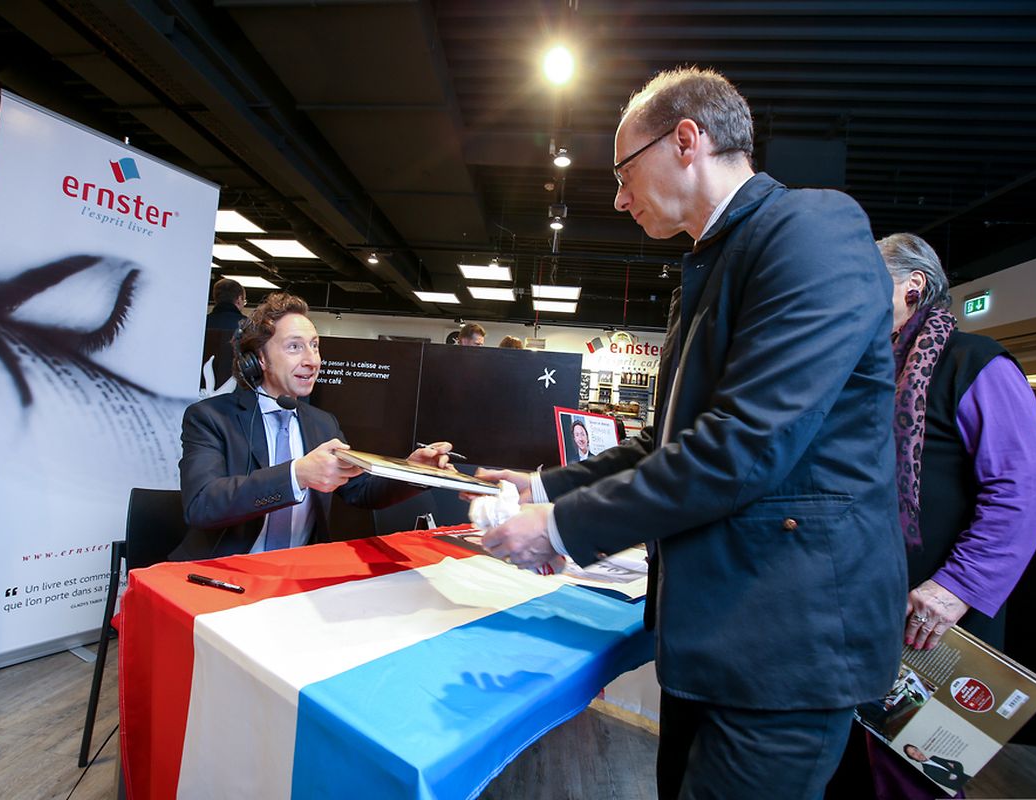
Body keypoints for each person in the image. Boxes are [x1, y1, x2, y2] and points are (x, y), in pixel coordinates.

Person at [478, 66, 906, 798]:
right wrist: (542, 487)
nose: (619, 199)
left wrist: (558, 529)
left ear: (686, 140)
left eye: (623, 173)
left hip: (784, 648)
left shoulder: (811, 228)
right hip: (714, 640)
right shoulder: (712, 265)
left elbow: (744, 444)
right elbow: (667, 441)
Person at [827, 233, 1036, 800]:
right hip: (860, 614)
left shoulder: (973, 362)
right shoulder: (870, 370)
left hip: (936, 622)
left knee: (912, 777)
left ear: (914, 286)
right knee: (844, 774)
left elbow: (1026, 486)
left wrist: (958, 587)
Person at [173, 292, 453, 560]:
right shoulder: (210, 417)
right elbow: (202, 504)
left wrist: (413, 471)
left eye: (315, 346)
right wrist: (296, 475)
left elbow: (361, 490)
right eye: (294, 347)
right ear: (260, 359)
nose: (312, 360)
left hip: (298, 572)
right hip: (222, 571)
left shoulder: (322, 422)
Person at [201, 278, 248, 392]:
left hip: (201, 390)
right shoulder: (248, 327)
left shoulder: (201, 324)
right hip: (236, 392)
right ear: (239, 299)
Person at [902, 745, 970, 791]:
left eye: (916, 750)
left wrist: (953, 772)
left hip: (967, 778)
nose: (917, 754)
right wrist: (953, 769)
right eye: (913, 754)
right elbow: (948, 782)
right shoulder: (927, 770)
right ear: (912, 758)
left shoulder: (934, 758)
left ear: (919, 749)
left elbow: (958, 764)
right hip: (963, 787)